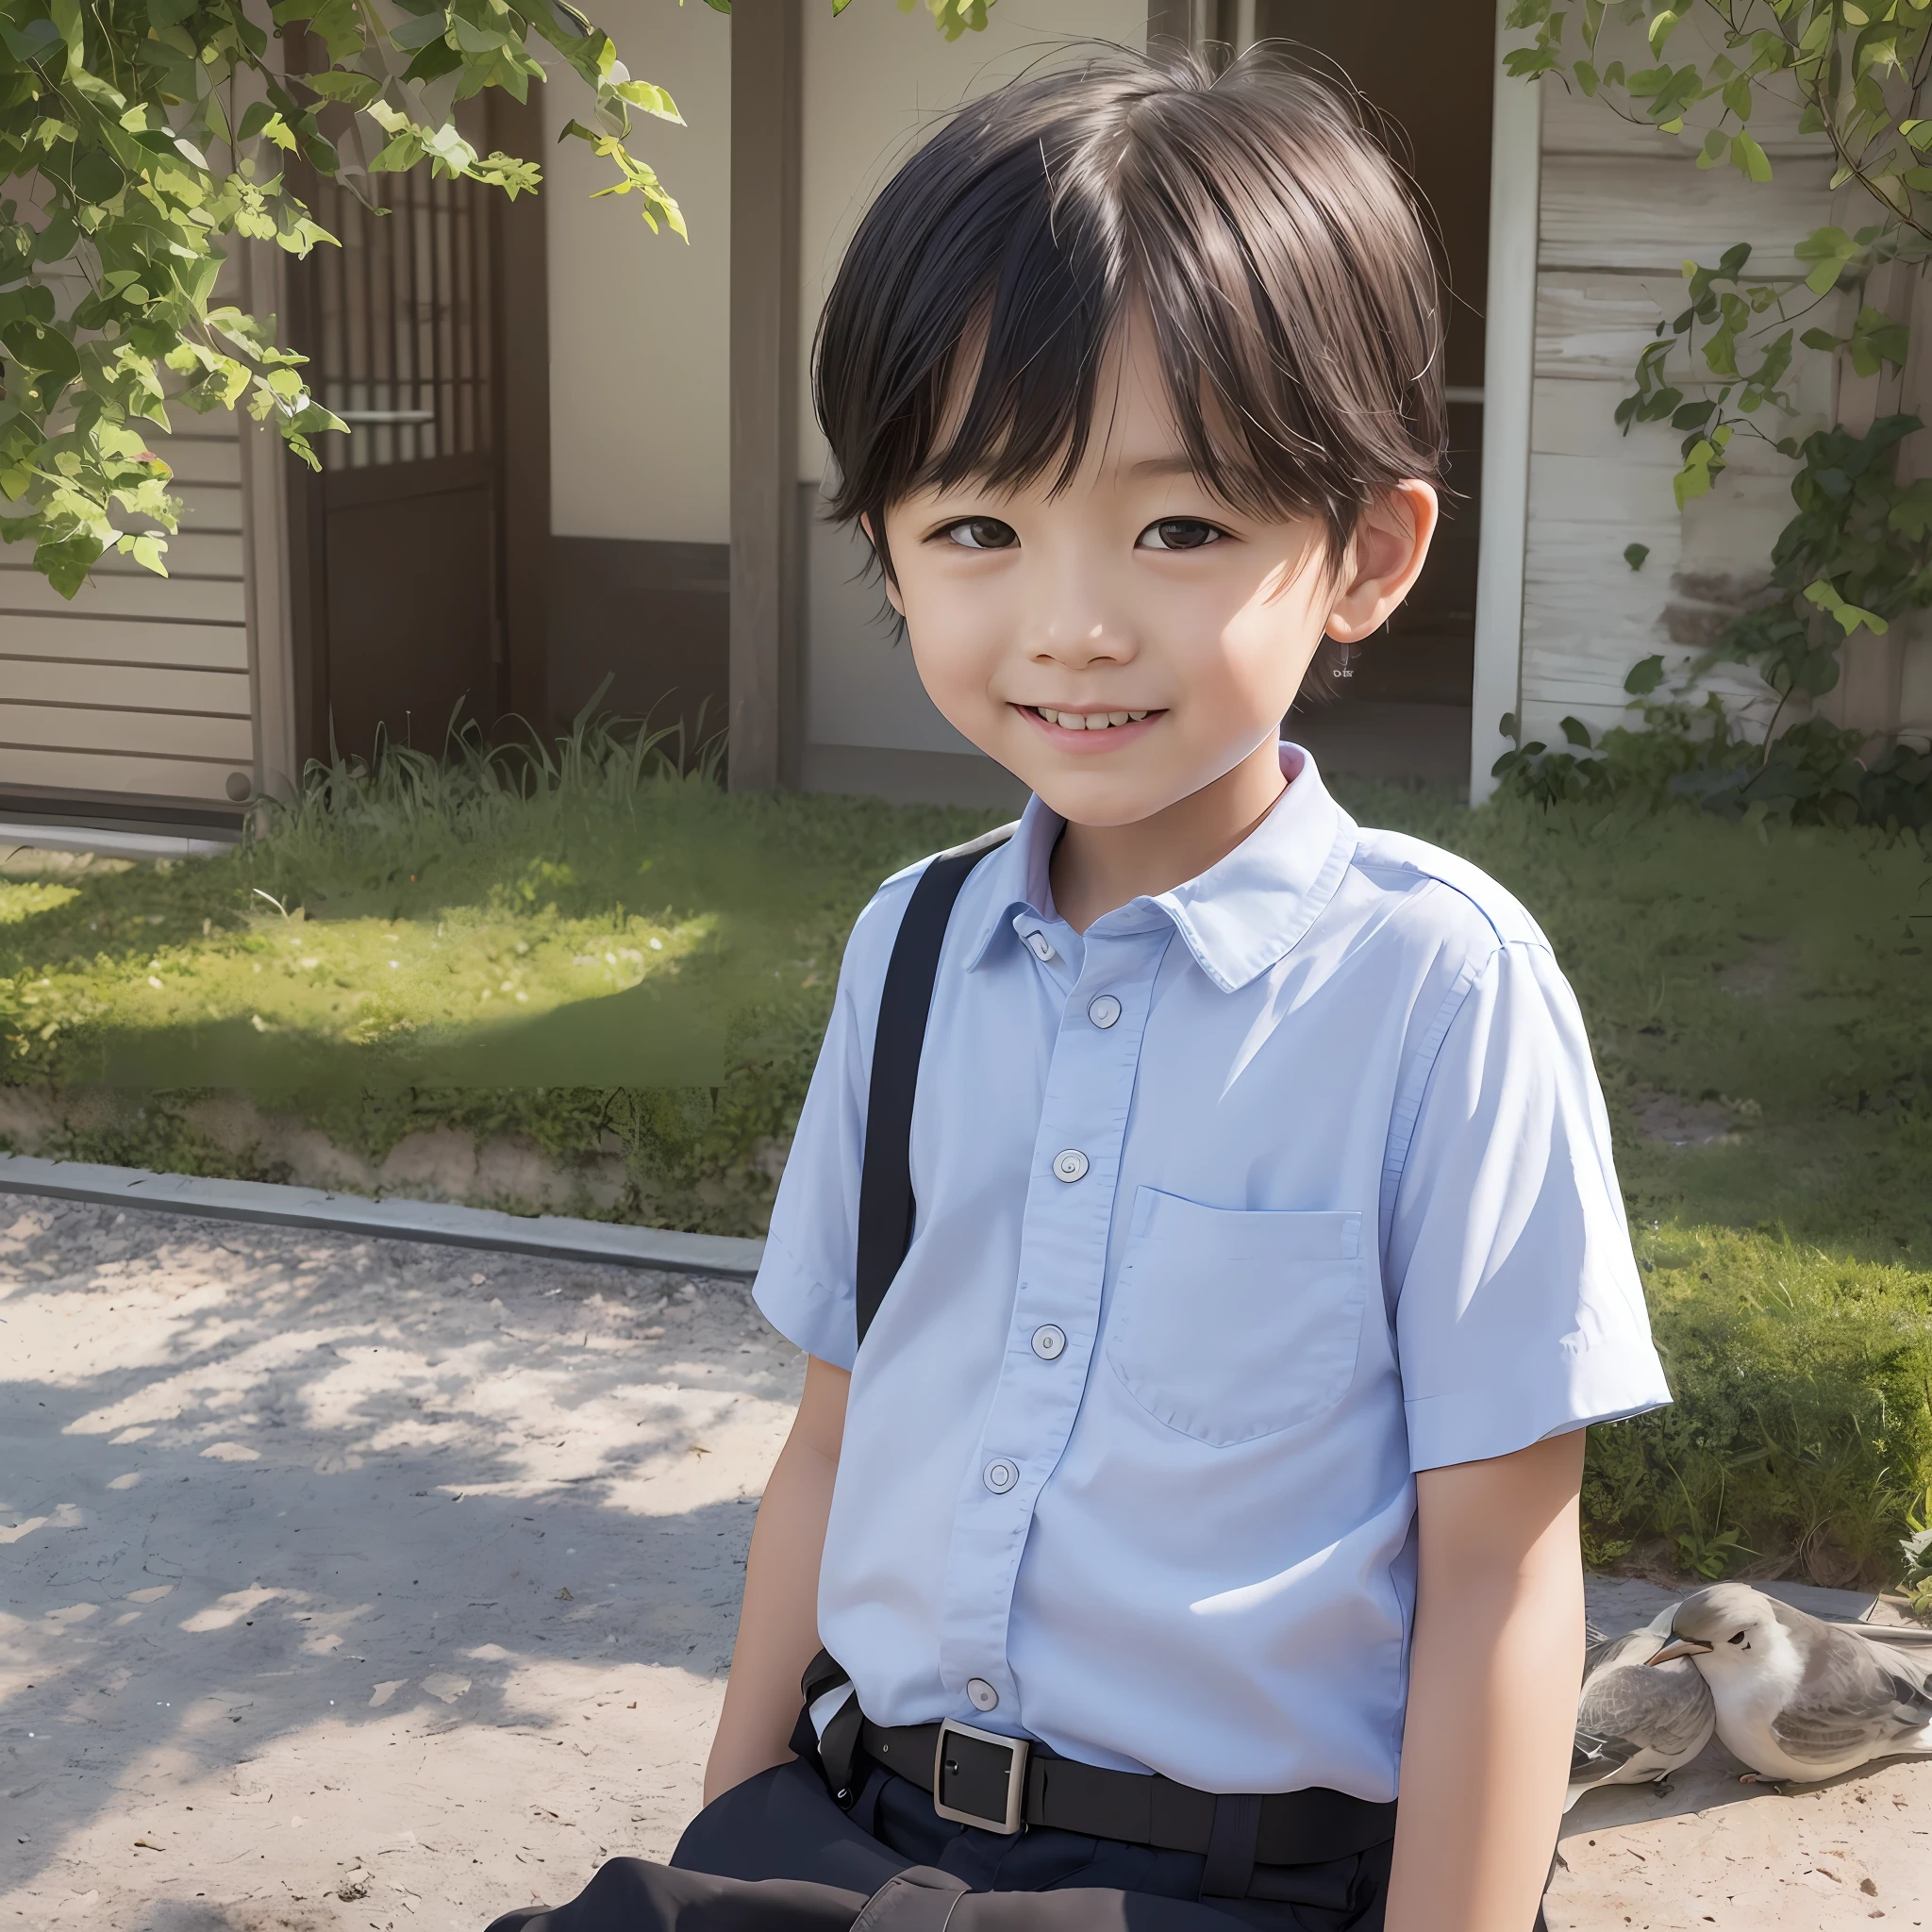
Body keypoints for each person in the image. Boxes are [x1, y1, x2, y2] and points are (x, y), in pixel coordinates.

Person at [488, 42, 1670, 1932]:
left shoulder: (1436, 993)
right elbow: (830, 1436)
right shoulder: (908, 950)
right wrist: (732, 1816)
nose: (1072, 622)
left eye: (1177, 528)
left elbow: (1504, 1578)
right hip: (854, 1830)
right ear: (881, 537)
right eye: (978, 527)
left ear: (1363, 550)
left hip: (1223, 1882)